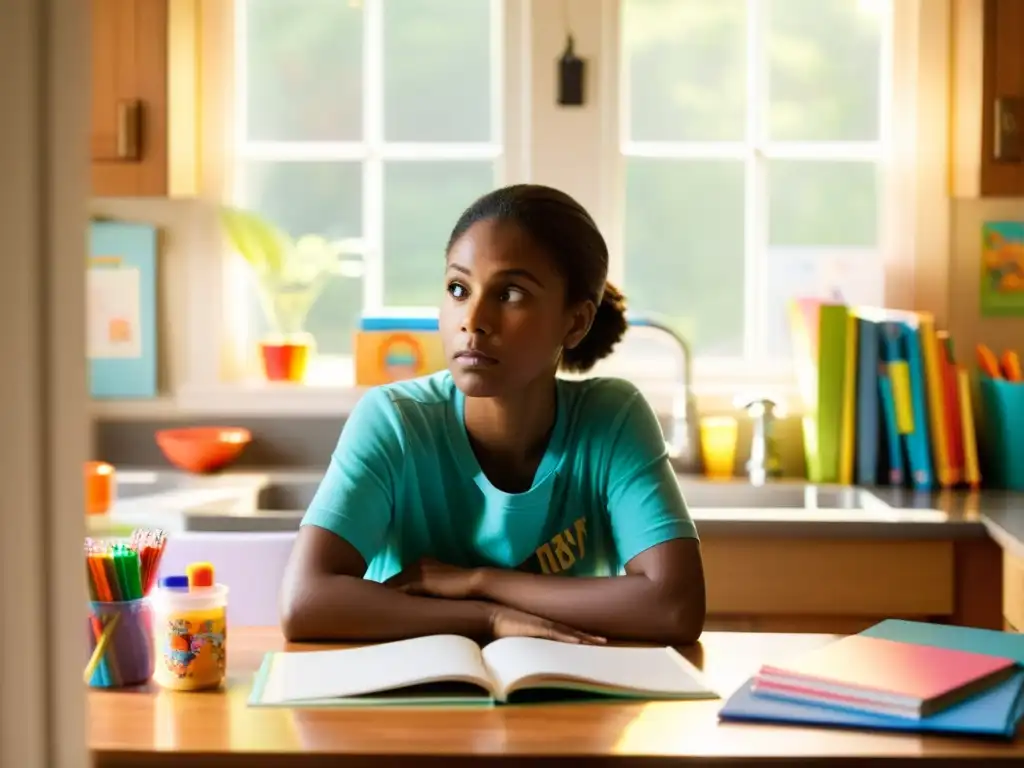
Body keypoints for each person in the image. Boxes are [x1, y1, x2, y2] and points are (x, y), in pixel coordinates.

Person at [280, 184, 706, 646]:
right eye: (458, 289)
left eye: (511, 294)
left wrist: (480, 581)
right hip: (407, 709)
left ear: (576, 321)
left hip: (571, 702)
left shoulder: (611, 420)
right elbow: (305, 602)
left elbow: (675, 606)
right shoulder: (393, 421)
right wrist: (485, 619)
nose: (473, 319)